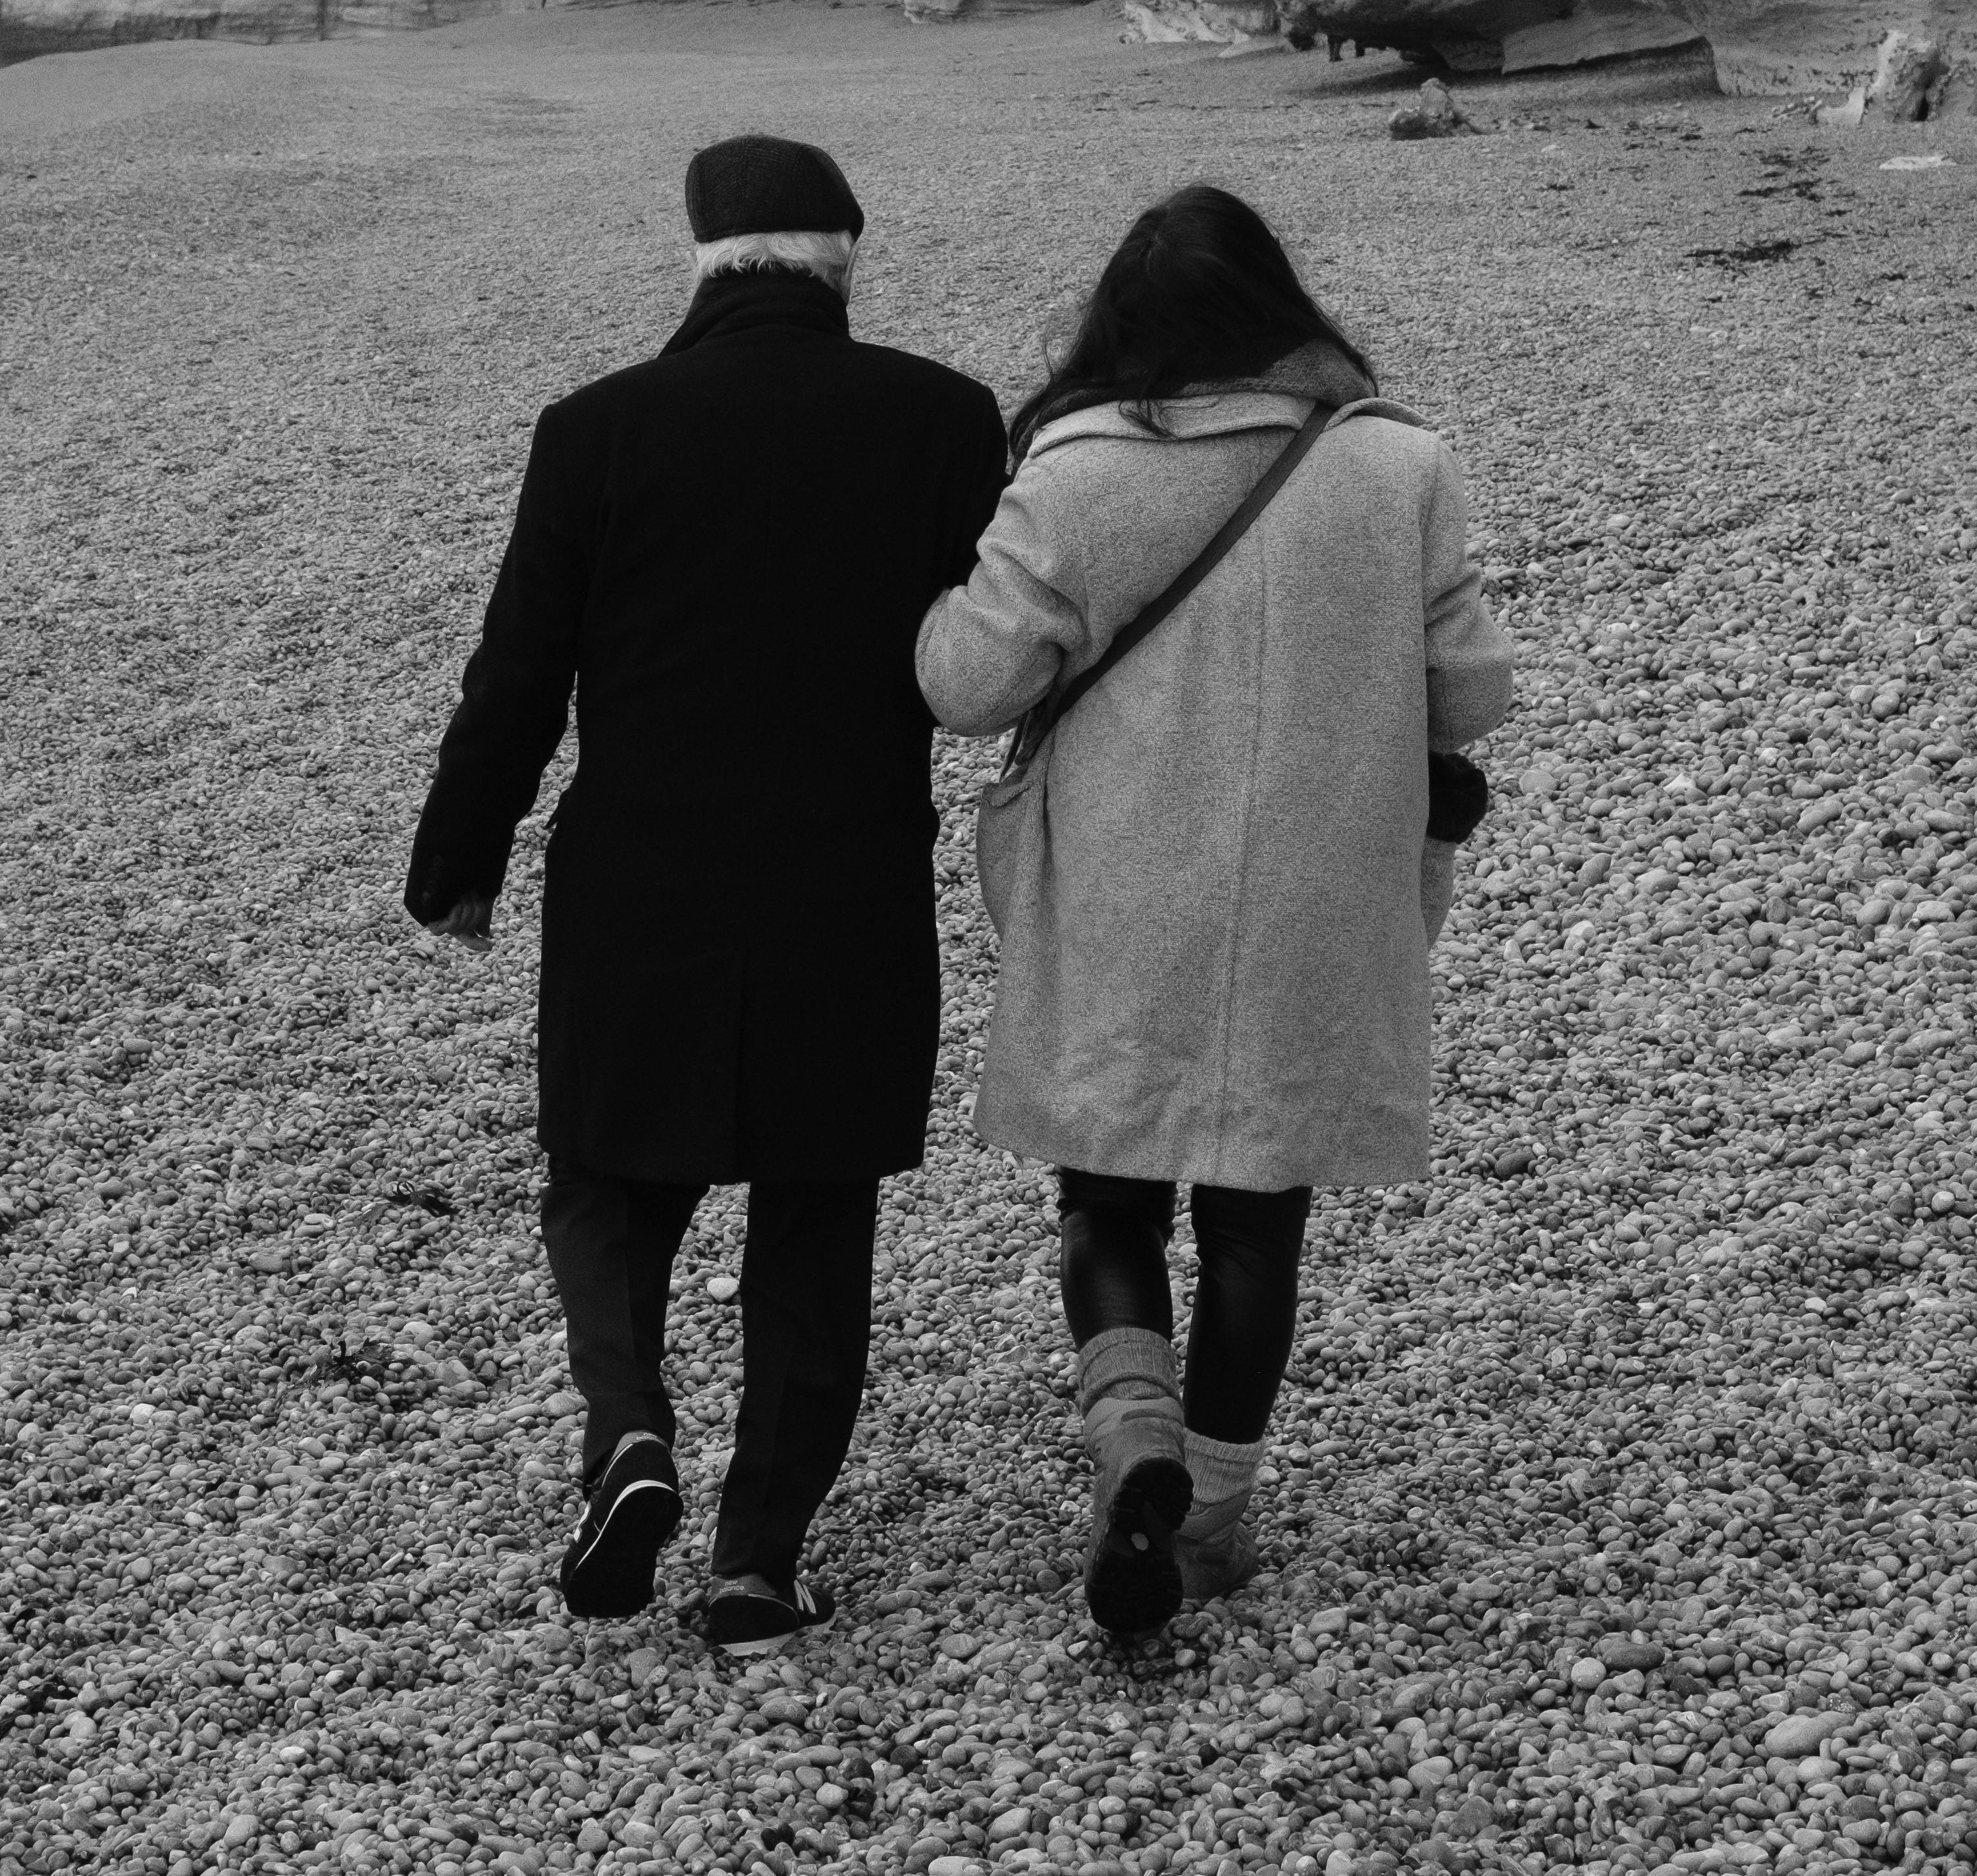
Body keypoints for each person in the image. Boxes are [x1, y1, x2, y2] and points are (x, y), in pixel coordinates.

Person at [402, 137, 1005, 1657]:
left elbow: (522, 670)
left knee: (606, 1177)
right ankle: (755, 1560)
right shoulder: (941, 420)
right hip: (845, 873)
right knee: (816, 1207)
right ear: (844, 256)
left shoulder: (597, 429)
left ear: (701, 257)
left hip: (643, 872)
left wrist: (460, 862)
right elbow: (988, 661)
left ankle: (628, 1432)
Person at [916, 186, 1513, 1642]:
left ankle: (1137, 1438)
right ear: (1283, 306)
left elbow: (964, 686)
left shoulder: (1072, 468)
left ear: (1119, 322)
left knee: (1108, 1185)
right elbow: (1472, 692)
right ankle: (1218, 1522)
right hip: (1319, 887)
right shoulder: (1397, 464)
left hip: (1123, 879)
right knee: (1260, 1217)